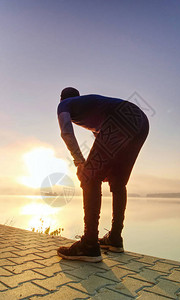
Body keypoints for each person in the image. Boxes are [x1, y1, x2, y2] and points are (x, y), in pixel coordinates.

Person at [57, 87, 149, 262]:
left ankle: (89, 244)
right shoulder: (91, 106)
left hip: (121, 119)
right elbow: (102, 138)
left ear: (61, 99)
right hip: (141, 121)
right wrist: (100, 168)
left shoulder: (64, 105)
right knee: (118, 182)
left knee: (88, 177)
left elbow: (66, 132)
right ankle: (115, 238)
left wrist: (80, 163)